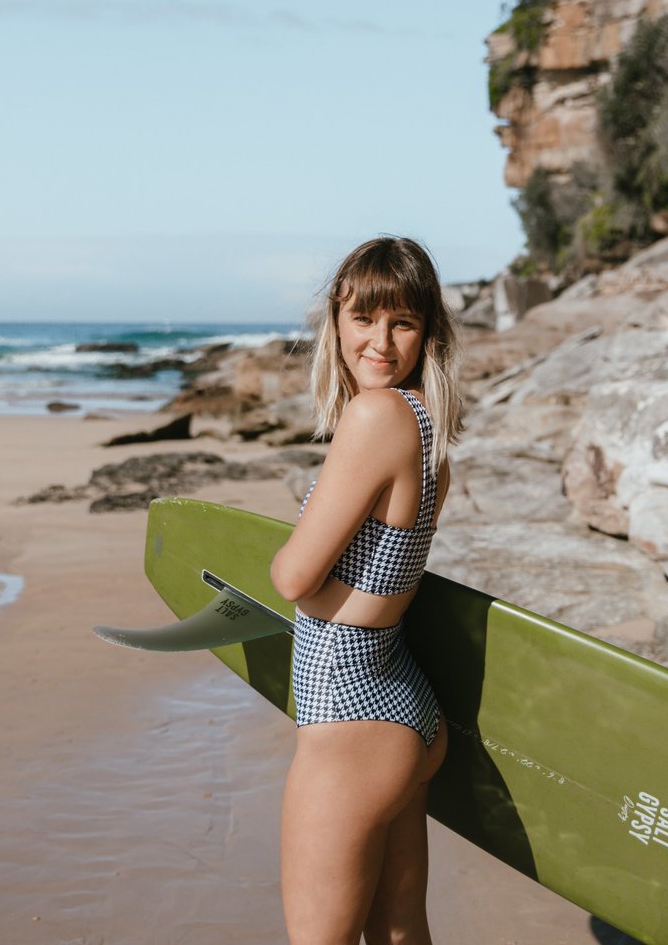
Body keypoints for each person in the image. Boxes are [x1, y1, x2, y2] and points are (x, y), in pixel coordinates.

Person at [271, 236, 462, 945]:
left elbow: (295, 578)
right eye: (364, 318)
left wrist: (285, 562)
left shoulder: (375, 416)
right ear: (337, 320)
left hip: (347, 716)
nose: (380, 341)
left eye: (402, 322)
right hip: (404, 704)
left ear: (427, 333)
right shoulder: (428, 433)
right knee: (400, 933)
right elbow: (385, 580)